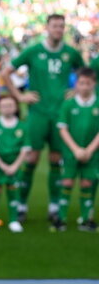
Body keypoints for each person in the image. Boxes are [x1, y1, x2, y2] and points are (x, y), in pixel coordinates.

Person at [0, 15, 85, 224]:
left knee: (56, 160)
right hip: (37, 114)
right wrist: (19, 96)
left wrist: (75, 91)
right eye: (55, 26)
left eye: (61, 26)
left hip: (60, 115)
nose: (58, 29)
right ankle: (21, 205)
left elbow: (86, 74)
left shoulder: (70, 53)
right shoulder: (33, 51)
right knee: (31, 159)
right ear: (47, 28)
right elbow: (6, 72)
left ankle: (54, 206)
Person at [53, 67, 99, 231]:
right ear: (76, 84)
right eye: (81, 83)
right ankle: (61, 218)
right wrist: (76, 150)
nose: (84, 87)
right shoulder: (68, 104)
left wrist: (89, 150)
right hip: (71, 152)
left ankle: (86, 219)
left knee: (87, 182)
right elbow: (62, 128)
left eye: (88, 83)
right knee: (67, 181)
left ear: (94, 84)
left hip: (92, 153)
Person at [0, 94, 30, 233]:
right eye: (4, 106)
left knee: (13, 190)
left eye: (10, 105)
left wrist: (15, 165)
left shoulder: (22, 126)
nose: (7, 108)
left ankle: (13, 220)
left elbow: (25, 149)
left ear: (16, 107)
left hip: (15, 164)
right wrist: (1, 164)